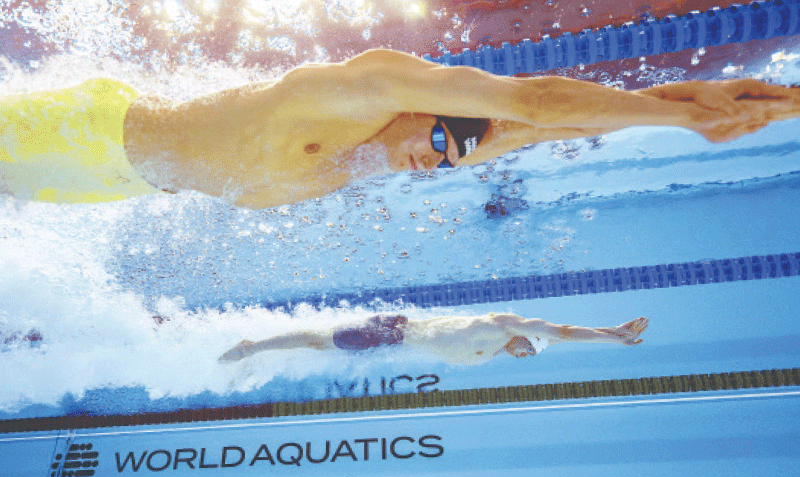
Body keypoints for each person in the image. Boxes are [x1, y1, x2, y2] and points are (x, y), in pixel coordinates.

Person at [3, 49, 799, 208]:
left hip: (107, 183)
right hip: (81, 132)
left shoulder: (397, 155)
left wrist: (698, 99)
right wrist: (677, 120)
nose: (438, 160)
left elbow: (547, 128)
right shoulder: (354, 94)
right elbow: (537, 99)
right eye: (445, 139)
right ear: (424, 106)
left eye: (458, 154)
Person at [218, 313, 648, 365]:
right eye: (529, 349)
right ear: (527, 338)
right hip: (393, 331)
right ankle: (251, 345)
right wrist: (614, 336)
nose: (522, 354)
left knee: (318, 344)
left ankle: (254, 349)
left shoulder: (486, 355)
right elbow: (566, 332)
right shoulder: (502, 324)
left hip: (396, 342)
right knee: (321, 341)